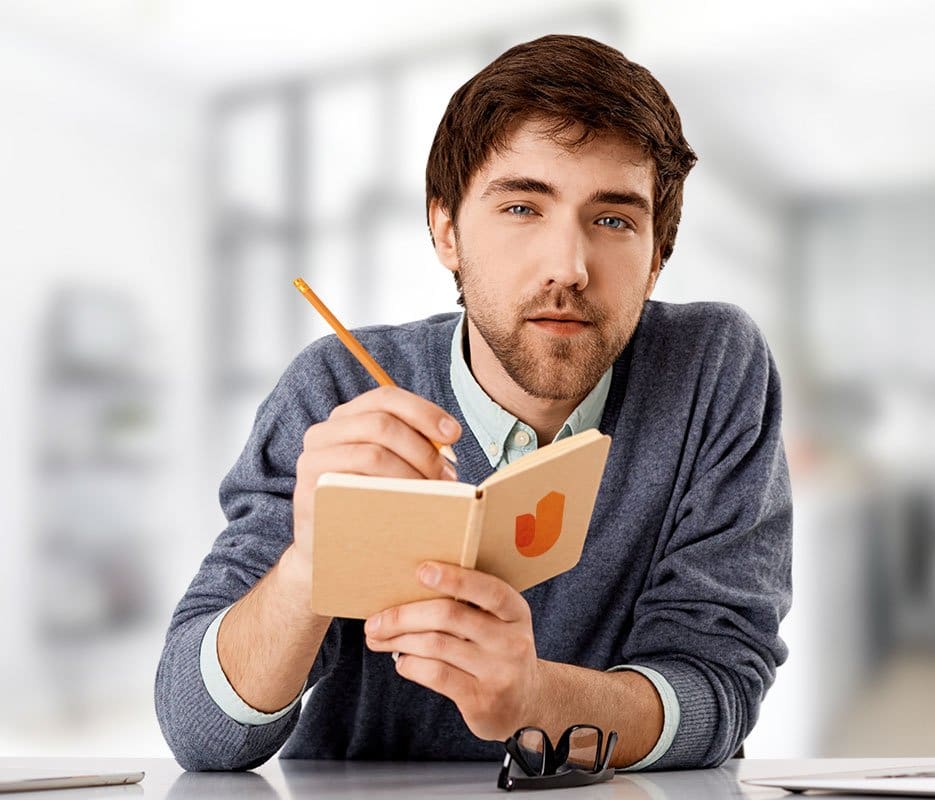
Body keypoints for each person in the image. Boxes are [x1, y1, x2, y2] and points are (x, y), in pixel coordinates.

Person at [155, 34, 792, 772]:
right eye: (522, 207)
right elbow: (201, 734)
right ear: (447, 232)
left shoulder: (712, 368)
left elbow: (721, 682)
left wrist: (534, 698)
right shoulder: (337, 391)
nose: (569, 267)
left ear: (657, 257)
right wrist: (310, 563)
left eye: (613, 219)